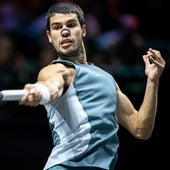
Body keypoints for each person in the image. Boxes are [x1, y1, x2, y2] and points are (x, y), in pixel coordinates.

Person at [18, 1, 165, 170]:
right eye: (57, 27)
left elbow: (140, 128)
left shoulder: (107, 79)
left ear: (83, 30)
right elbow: (52, 86)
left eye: (71, 25)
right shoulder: (56, 70)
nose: (64, 31)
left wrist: (153, 80)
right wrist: (40, 91)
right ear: (50, 37)